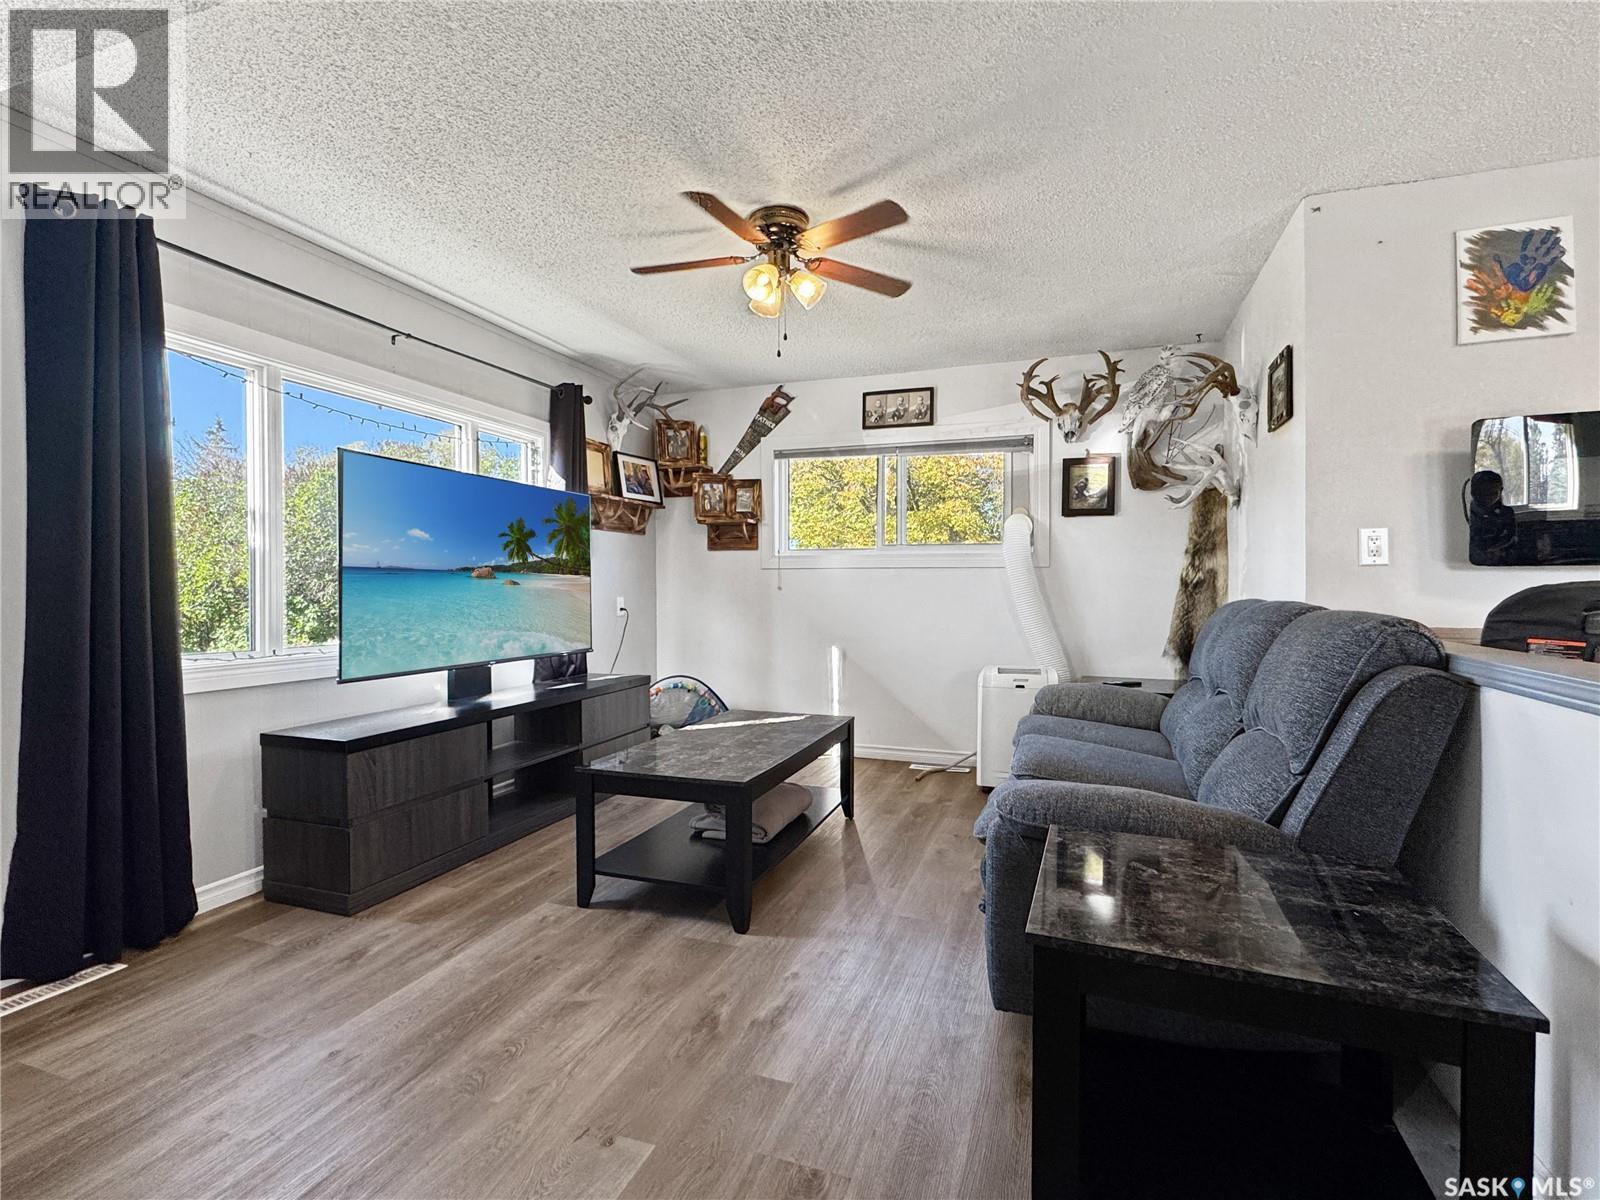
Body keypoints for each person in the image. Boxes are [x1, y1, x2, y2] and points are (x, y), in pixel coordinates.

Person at [1467, 469, 1517, 564]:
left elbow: (1511, 536)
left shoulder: (1506, 513)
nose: (1487, 498)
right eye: (1481, 493)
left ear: (1500, 490)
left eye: (1492, 493)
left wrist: (1495, 549)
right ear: (1472, 492)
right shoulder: (1467, 512)